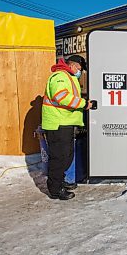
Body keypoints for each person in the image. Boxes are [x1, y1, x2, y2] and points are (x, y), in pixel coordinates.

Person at [42, 55, 92, 200]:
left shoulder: (68, 77)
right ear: (72, 65)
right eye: (79, 69)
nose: (80, 72)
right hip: (58, 124)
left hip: (64, 123)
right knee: (59, 158)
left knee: (66, 156)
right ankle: (55, 190)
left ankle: (59, 181)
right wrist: (84, 103)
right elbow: (62, 97)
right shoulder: (60, 77)